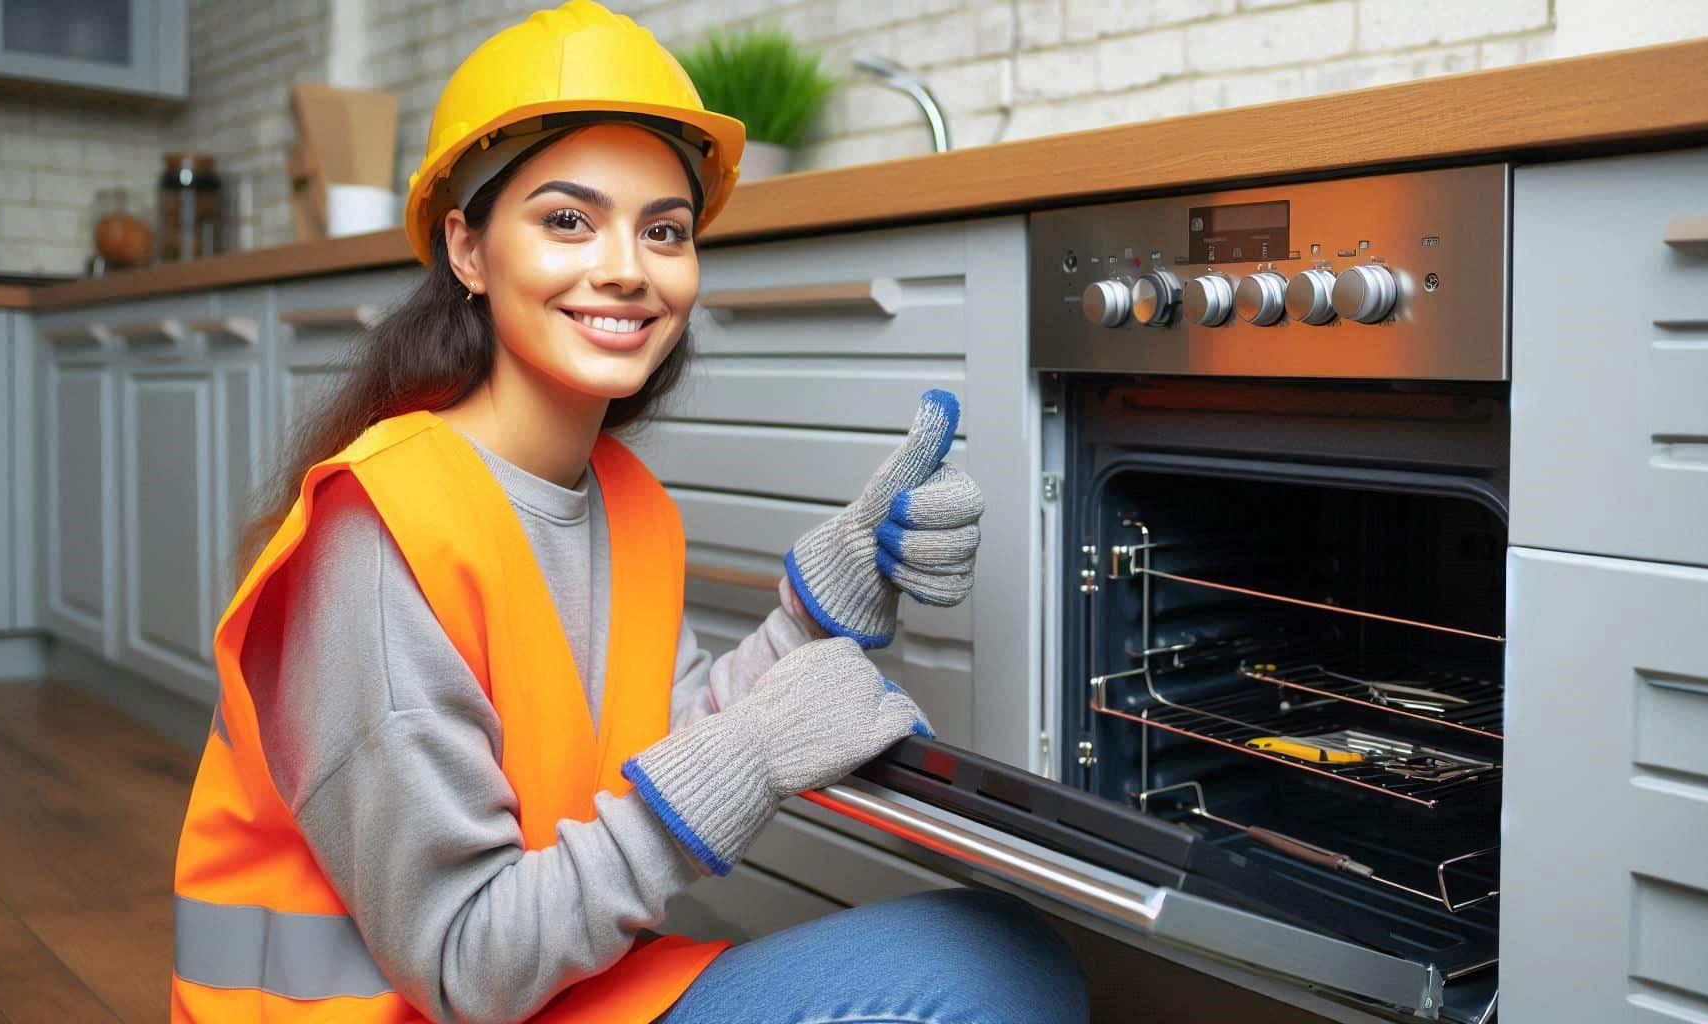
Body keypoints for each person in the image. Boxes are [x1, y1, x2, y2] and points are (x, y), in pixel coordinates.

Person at [169, 3, 1088, 1023]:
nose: (627, 268)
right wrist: (755, 754)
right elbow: (466, 963)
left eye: (664, 230)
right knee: (981, 978)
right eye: (568, 220)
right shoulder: (379, 530)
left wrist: (823, 603)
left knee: (1005, 954)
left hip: (570, 995)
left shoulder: (628, 503)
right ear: (468, 252)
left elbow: (657, 752)